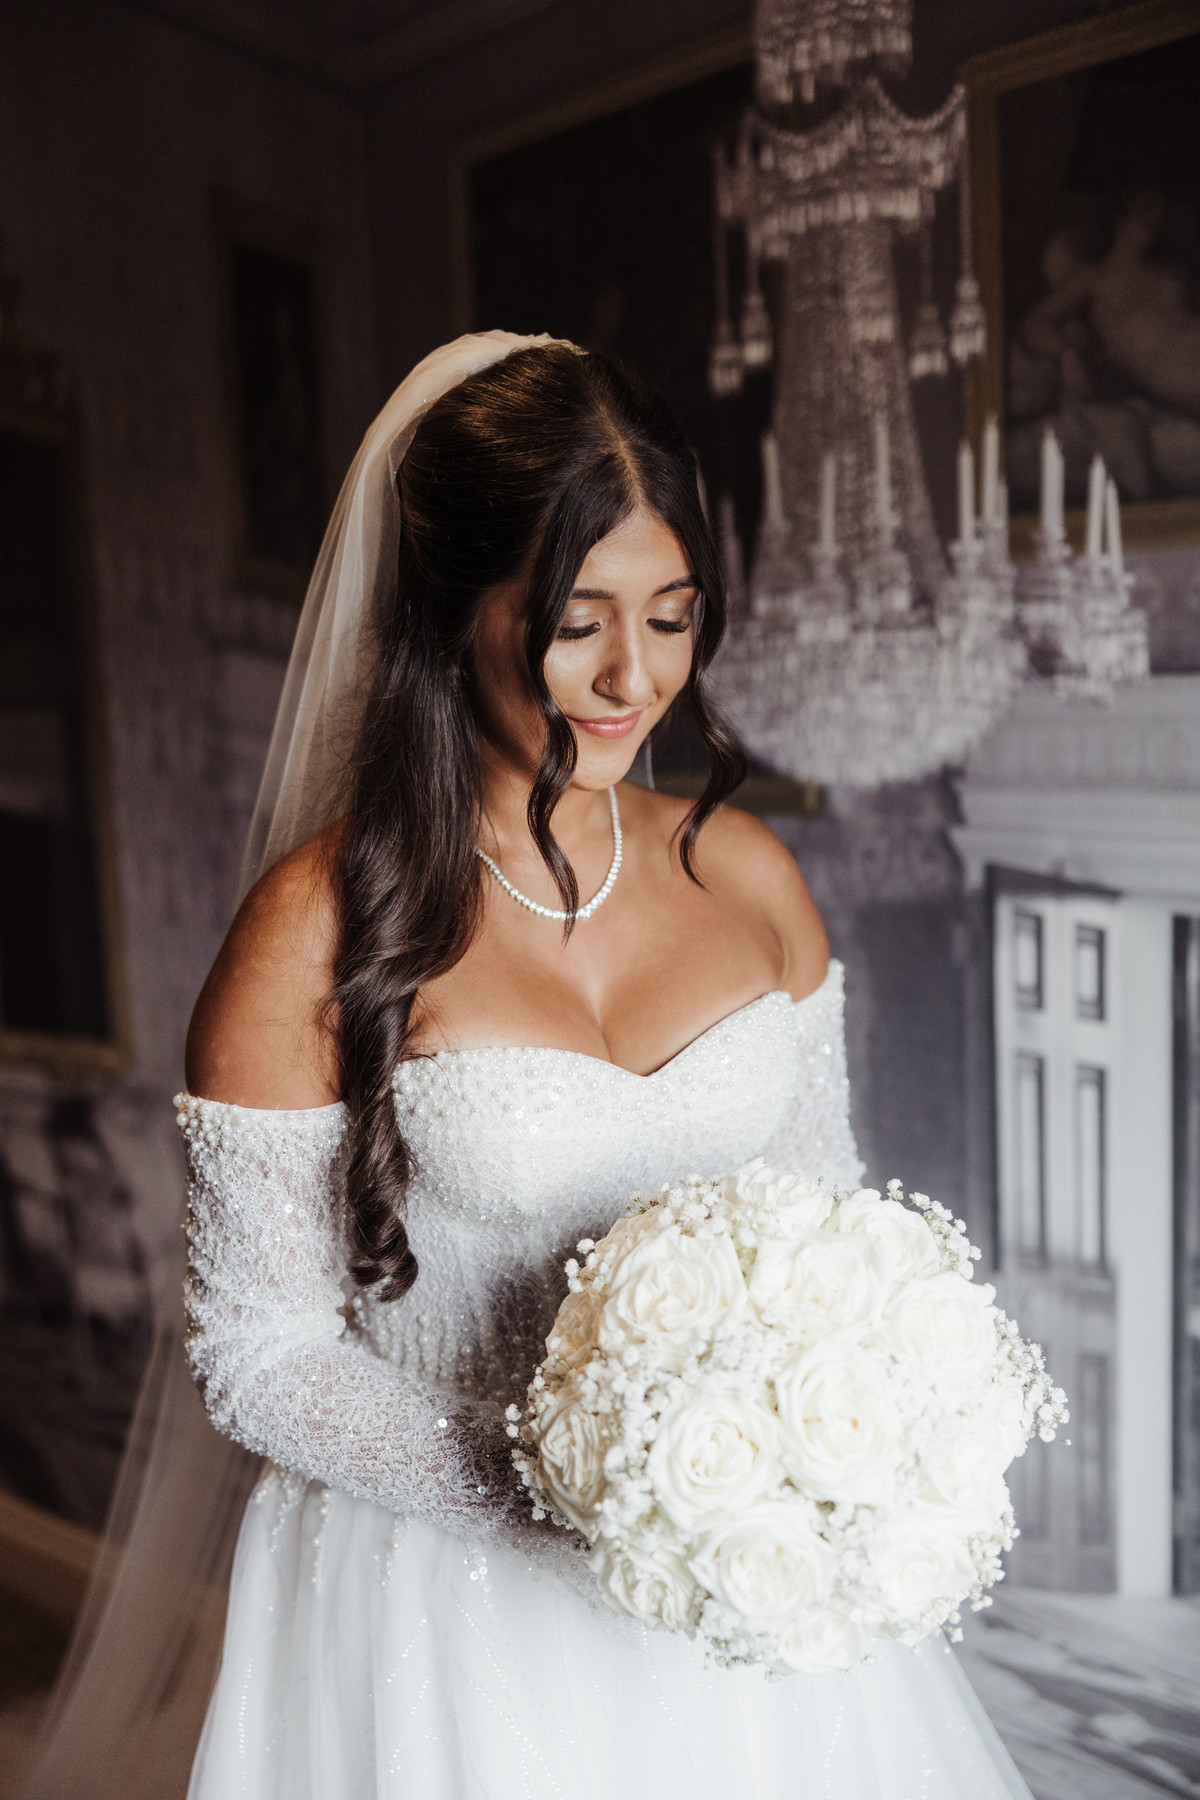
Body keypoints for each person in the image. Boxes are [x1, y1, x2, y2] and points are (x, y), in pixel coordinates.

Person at [33, 333, 1034, 1799]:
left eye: (677, 616)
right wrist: (575, 1491)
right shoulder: (314, 930)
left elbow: (819, 1228)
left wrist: (804, 1459)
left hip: (739, 1584)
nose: (638, 678)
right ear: (454, 610)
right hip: (445, 1608)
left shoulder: (751, 878)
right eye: (579, 622)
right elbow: (258, 1353)